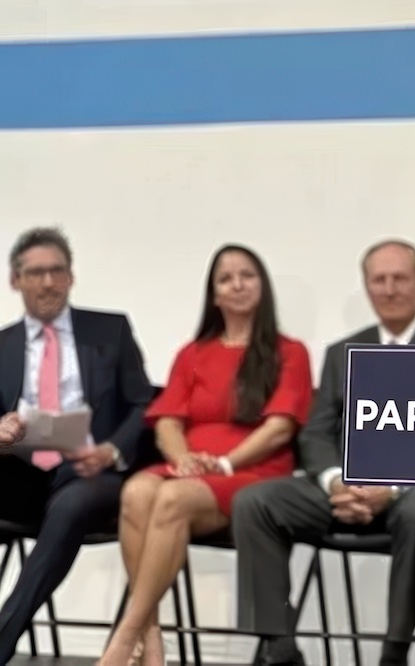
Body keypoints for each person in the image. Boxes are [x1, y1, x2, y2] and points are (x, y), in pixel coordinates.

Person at [233, 239, 415, 666]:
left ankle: (394, 653)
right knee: (255, 501)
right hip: (345, 491)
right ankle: (279, 644)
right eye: (378, 280)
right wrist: (335, 482)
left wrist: (393, 488)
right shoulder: (341, 353)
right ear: (366, 287)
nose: (389, 289)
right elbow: (316, 435)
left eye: (400, 278)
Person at [98, 244, 313, 665]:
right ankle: (152, 637)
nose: (237, 285)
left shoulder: (290, 352)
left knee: (172, 499)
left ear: (262, 286)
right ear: (214, 295)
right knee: (137, 491)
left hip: (253, 473)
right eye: (226, 278)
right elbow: (167, 422)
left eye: (247, 275)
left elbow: (280, 427)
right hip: (193, 467)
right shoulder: (193, 353)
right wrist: (183, 460)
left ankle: (126, 636)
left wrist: (227, 463)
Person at [0, 227, 154, 664]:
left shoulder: (110, 330)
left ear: (70, 277)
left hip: (90, 473)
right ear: (16, 281)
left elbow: (145, 404)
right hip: (20, 473)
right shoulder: (1, 345)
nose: (48, 282)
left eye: (57, 271)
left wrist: (110, 451)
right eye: (36, 273)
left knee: (70, 505)